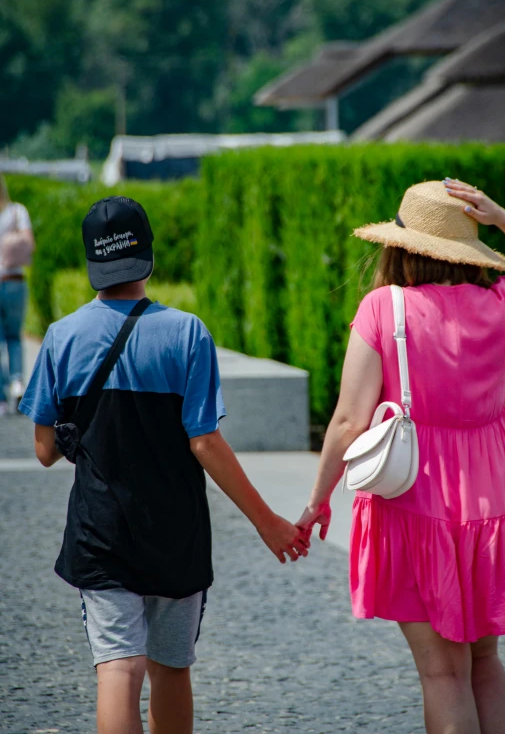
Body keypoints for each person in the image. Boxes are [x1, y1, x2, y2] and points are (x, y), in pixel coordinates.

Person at [19, 196, 309, 734]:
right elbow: (205, 443)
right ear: (147, 258)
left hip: (99, 529)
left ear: (92, 266)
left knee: (119, 668)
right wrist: (269, 523)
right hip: (177, 532)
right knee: (171, 668)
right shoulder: (187, 333)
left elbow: (42, 450)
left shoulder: (62, 336)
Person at [297, 179, 505, 734]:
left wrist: (316, 502)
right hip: (496, 501)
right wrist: (501, 215)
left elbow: (347, 420)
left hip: (415, 501)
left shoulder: (382, 308)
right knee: (486, 662)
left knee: (442, 675)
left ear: (399, 246)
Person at [0, 173, 34, 414]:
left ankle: (1, 396)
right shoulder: (17, 211)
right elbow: (30, 243)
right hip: (15, 281)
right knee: (14, 336)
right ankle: (18, 382)